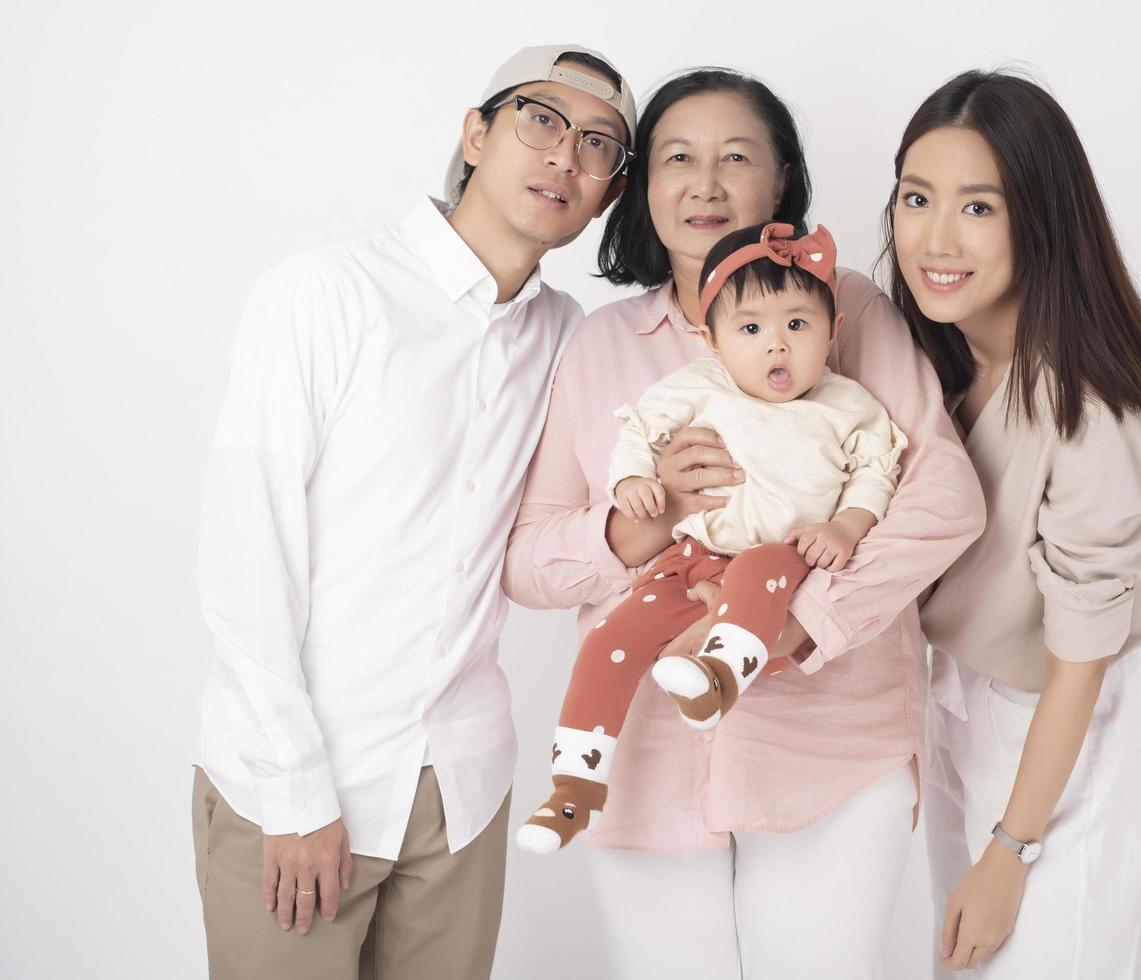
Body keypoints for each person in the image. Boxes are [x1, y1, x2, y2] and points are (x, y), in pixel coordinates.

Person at [501, 67, 985, 979]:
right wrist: (640, 526)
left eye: (737, 157)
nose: (706, 182)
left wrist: (806, 622)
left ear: (783, 182)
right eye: (677, 157)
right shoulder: (603, 344)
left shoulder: (848, 311)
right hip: (641, 757)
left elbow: (943, 498)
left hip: (830, 748)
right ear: (644, 187)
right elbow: (528, 561)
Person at [190, 44, 635, 977]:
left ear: (608, 192)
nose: (564, 157)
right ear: (476, 133)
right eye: (540, 120)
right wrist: (299, 790)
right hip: (304, 786)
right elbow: (245, 559)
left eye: (599, 145)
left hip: (460, 789)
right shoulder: (325, 295)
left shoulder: (566, 339)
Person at [882, 70, 1141, 976]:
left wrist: (1013, 852)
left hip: (1061, 712)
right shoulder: (935, 360)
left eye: (979, 207)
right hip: (956, 696)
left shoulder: (1094, 403)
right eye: (916, 198)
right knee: (964, 961)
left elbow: (1079, 659)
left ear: (1042, 218)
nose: (935, 238)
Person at [517, 222, 908, 854]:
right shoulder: (702, 385)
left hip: (784, 557)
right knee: (612, 637)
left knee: (757, 573)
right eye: (751, 330)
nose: (776, 347)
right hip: (690, 554)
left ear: (833, 332)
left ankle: (719, 676)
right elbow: (639, 432)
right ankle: (573, 788)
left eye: (797, 326)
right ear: (714, 341)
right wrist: (633, 482)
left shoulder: (849, 405)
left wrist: (846, 525)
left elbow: (876, 473)